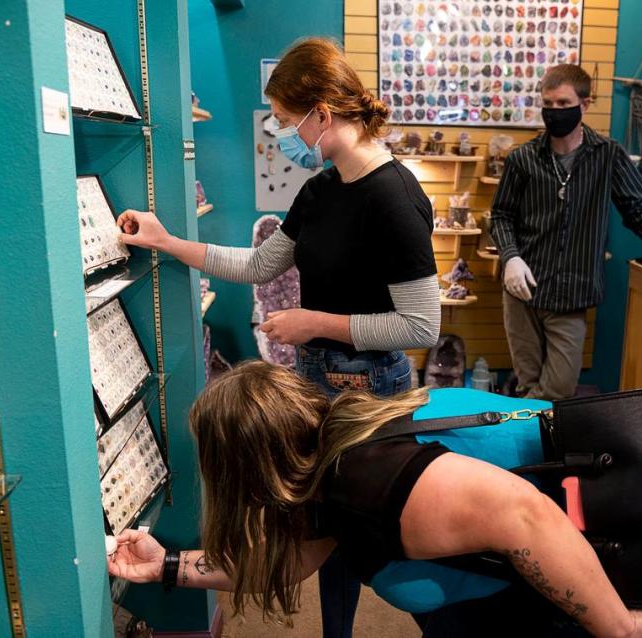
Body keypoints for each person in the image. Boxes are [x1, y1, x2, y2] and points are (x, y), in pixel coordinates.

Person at [116, 38, 440, 638]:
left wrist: (315, 322)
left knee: (373, 531)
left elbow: (422, 326)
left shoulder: (395, 198)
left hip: (368, 388)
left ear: (322, 111)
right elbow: (260, 265)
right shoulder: (320, 192)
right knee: (321, 525)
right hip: (316, 378)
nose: (285, 135)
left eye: (289, 123)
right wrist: (165, 241)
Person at [108, 360, 642, 638]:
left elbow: (527, 516)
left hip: (573, 603)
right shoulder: (332, 450)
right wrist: (168, 566)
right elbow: (291, 558)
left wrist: (620, 629)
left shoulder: (370, 479)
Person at [490, 64, 642, 401]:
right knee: (528, 383)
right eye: (547, 104)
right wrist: (510, 258)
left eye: (563, 104)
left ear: (585, 103)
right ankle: (535, 449)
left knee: (558, 390)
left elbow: (638, 210)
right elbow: (501, 215)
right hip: (522, 291)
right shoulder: (523, 158)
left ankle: (525, 437)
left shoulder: (607, 155)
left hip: (571, 294)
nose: (553, 112)